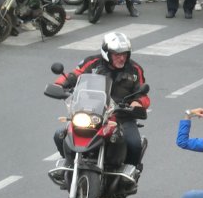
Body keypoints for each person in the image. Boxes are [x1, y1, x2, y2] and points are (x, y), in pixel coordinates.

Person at [53, 32, 150, 176]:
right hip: (92, 113)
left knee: (134, 144)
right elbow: (75, 75)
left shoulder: (135, 69)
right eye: (116, 54)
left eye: (124, 54)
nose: (121, 57)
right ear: (106, 53)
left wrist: (137, 102)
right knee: (60, 135)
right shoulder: (92, 62)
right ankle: (68, 163)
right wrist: (61, 85)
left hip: (121, 116)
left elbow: (143, 95)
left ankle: (130, 174)